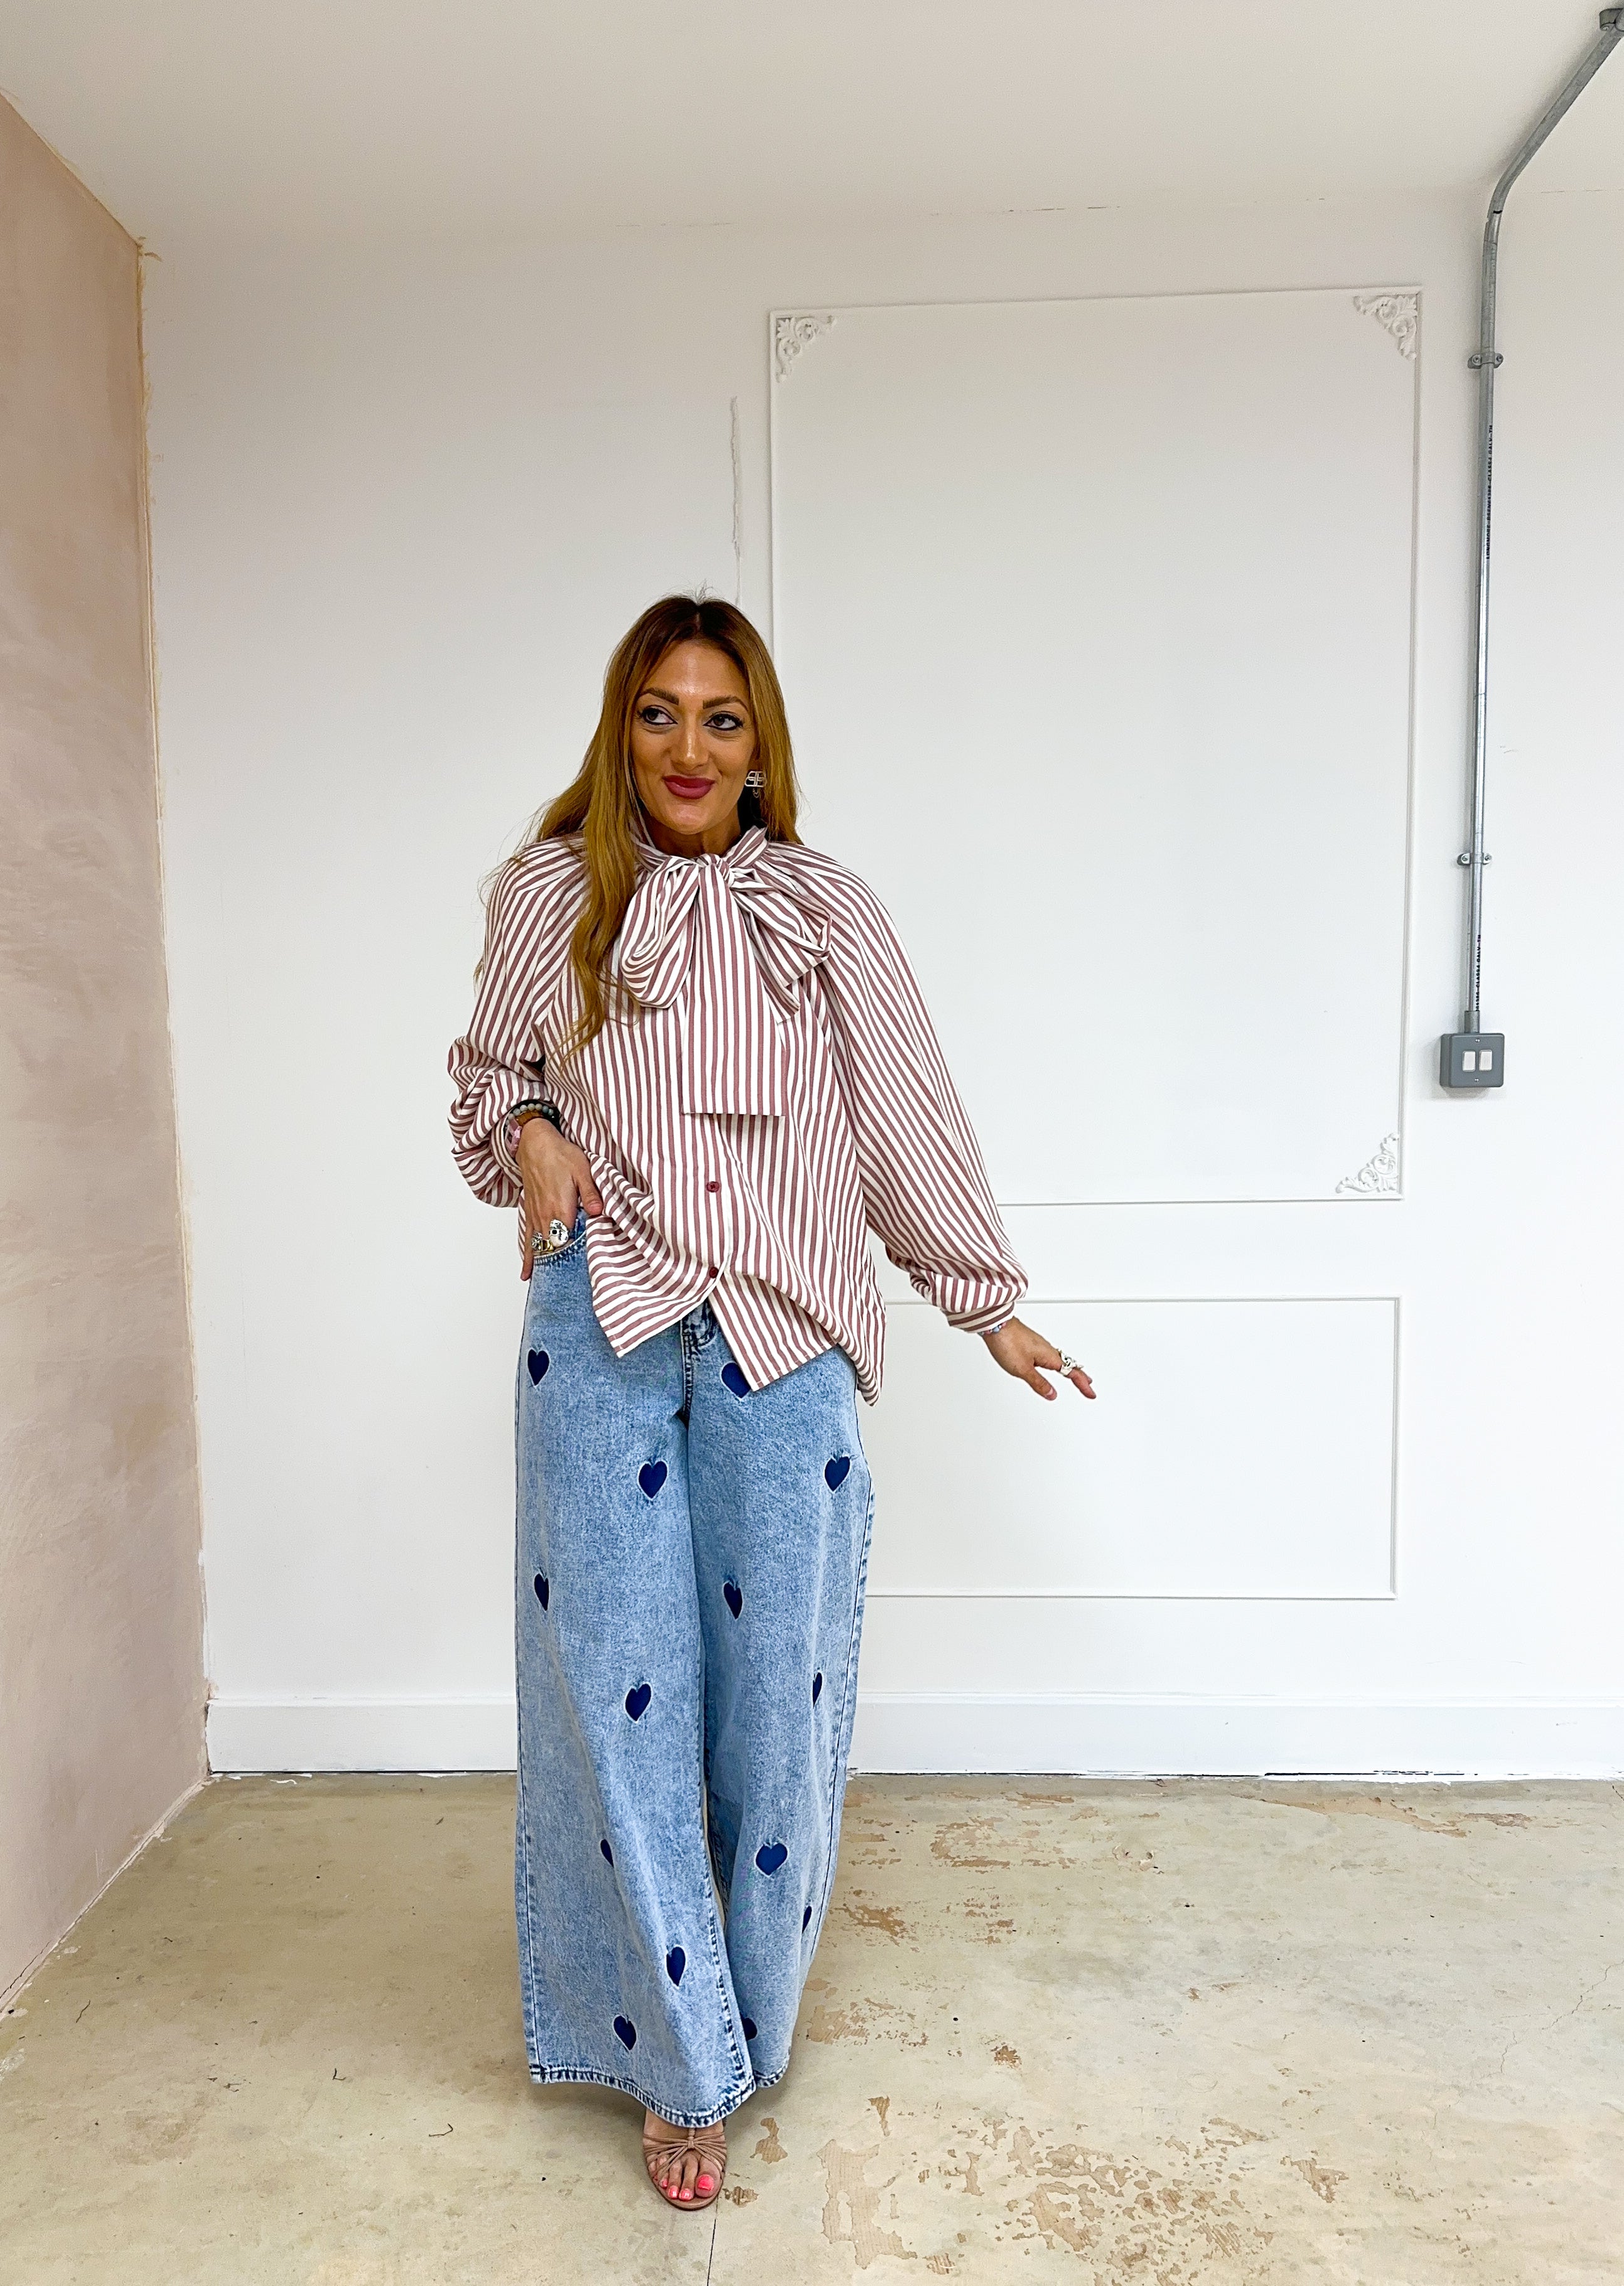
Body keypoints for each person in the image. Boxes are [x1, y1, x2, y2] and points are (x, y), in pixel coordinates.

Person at [447, 594, 1094, 2213]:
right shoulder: (549, 897)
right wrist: (528, 1130)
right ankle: (678, 2067)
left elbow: (903, 1111)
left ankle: (744, 2014)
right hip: (597, 1324)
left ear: (761, 743)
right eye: (658, 713)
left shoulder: (822, 908)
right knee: (616, 1693)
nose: (687, 747)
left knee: (775, 1711)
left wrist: (987, 1302)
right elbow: (480, 1085)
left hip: (784, 1337)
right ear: (620, 728)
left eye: (720, 718)